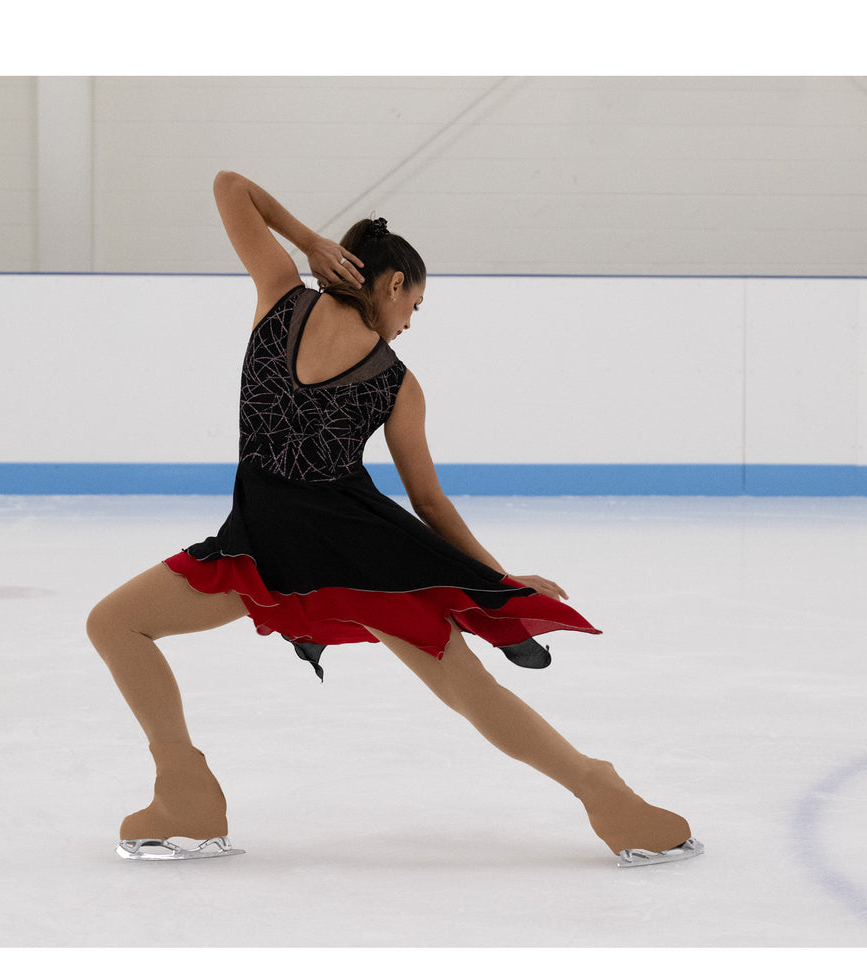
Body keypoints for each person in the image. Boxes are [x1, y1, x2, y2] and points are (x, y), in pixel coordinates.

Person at [86, 170, 702, 867]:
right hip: (289, 555)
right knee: (466, 691)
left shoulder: (278, 296)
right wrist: (495, 578)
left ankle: (606, 793)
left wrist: (305, 242)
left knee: (115, 625)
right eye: (415, 303)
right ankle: (185, 792)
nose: (410, 321)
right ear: (394, 282)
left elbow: (231, 188)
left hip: (305, 555)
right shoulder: (396, 381)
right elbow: (430, 502)